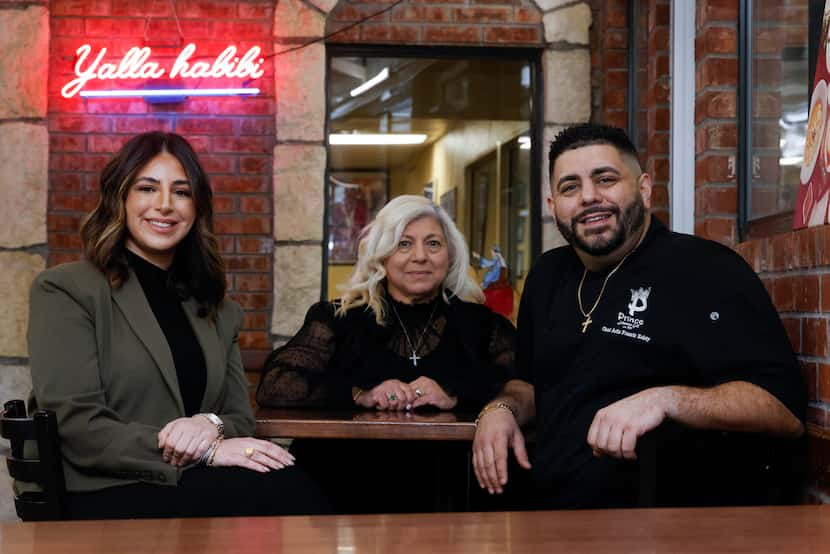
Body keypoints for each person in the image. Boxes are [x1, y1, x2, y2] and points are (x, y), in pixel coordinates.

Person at [471, 123, 806, 509]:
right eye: (570, 187)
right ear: (553, 207)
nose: (589, 197)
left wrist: (666, 400)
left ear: (644, 189)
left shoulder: (705, 271)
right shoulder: (547, 275)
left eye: (606, 179)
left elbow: (783, 410)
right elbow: (530, 383)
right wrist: (501, 410)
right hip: (556, 519)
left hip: (671, 530)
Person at [27, 132, 327, 519]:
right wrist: (207, 450)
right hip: (100, 485)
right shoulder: (66, 289)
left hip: (190, 481)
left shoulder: (215, 307)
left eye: (182, 192)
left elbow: (239, 417)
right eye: (147, 188)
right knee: (284, 495)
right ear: (120, 196)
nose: (165, 205)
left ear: (197, 207)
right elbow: (76, 425)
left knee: (296, 479)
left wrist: (210, 423)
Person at [256, 194, 516, 512]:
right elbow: (276, 383)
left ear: (450, 255)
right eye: (403, 244)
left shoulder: (480, 324)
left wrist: (454, 395)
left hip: (450, 492)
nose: (420, 256)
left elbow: (522, 384)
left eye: (433, 244)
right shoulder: (338, 317)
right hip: (340, 489)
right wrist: (360, 394)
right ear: (381, 255)